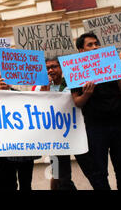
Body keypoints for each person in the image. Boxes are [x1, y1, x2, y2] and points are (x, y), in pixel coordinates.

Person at [71, 32, 121, 190]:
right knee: (99, 172)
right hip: (96, 128)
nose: (95, 47)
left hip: (120, 125)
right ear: (81, 51)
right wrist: (87, 94)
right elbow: (77, 102)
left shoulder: (113, 66)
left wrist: (119, 75)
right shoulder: (77, 72)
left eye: (96, 43)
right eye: (90, 45)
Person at [0, 64, 38, 190]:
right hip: (2, 152)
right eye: (2, 73)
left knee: (26, 184)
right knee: (7, 184)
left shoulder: (20, 95)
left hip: (23, 148)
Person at [36, 57, 77, 190]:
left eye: (54, 66)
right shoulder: (39, 87)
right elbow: (37, 109)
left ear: (61, 68)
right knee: (59, 173)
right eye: (47, 68)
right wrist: (45, 92)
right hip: (54, 138)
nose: (50, 70)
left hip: (75, 134)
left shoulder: (72, 85)